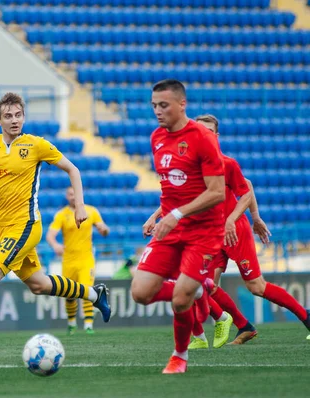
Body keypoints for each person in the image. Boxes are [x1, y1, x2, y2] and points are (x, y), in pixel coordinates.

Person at [0, 93, 111, 361]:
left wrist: (80, 205)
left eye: (18, 115)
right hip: (4, 229)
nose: (14, 120)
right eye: (8, 116)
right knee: (39, 285)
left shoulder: (36, 145)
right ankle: (94, 293)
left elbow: (73, 170)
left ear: (24, 117)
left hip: (27, 225)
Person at [130, 79, 226, 374]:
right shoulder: (156, 138)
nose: (157, 111)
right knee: (140, 293)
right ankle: (199, 288)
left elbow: (217, 192)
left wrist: (178, 215)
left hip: (203, 231)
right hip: (171, 229)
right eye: (154, 106)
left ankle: (179, 356)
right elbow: (172, 186)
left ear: (182, 104)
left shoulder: (202, 137)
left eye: (164, 105)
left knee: (180, 298)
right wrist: (162, 216)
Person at [192, 114, 310, 343]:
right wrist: (156, 216)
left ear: (216, 136)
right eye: (199, 130)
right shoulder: (194, 166)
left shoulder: (224, 163)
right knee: (203, 285)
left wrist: (252, 218)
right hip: (212, 234)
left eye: (208, 131)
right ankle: (243, 325)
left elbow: (246, 188)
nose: (203, 134)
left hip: (235, 231)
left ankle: (306, 316)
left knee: (256, 286)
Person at [46, 186, 110, 335]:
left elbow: (104, 229)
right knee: (69, 294)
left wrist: (104, 230)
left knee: (87, 289)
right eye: (70, 194)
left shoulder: (92, 211)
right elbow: (50, 235)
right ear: (67, 196)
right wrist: (55, 244)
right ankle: (72, 323)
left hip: (86, 259)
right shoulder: (61, 215)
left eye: (75, 193)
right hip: (68, 260)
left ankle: (88, 325)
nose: (73, 196)